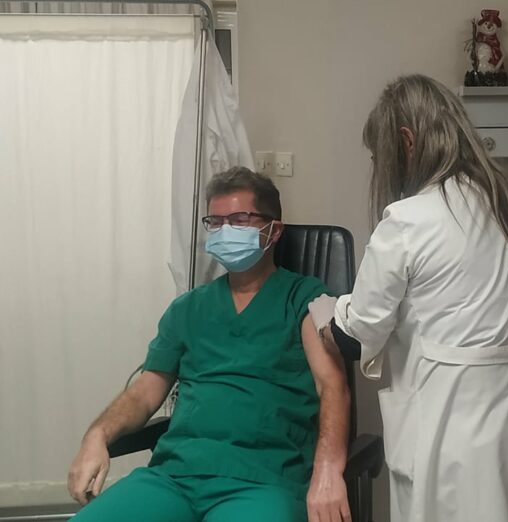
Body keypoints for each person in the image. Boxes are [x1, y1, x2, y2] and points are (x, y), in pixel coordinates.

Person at [308, 74, 508, 522]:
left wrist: (325, 315)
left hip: (454, 441)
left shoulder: (408, 221)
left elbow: (357, 336)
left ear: (406, 142)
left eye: (380, 155)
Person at [67, 167, 351, 522]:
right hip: (173, 477)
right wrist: (97, 435)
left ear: (274, 230)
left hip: (262, 480)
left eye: (239, 220)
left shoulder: (305, 299)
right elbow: (143, 394)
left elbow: (332, 385)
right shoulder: (187, 308)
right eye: (216, 222)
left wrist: (328, 472)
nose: (225, 230)